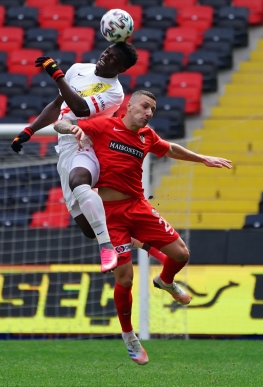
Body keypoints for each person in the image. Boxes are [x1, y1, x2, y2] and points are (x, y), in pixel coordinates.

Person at [54, 90, 232, 365]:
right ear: (129, 105)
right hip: (110, 215)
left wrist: (202, 159)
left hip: (138, 207)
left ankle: (165, 281)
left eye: (152, 110)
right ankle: (129, 336)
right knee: (125, 279)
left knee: (181, 255)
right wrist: (73, 127)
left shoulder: (147, 135)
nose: (149, 113)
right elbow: (59, 124)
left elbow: (169, 148)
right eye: (145, 106)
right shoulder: (104, 125)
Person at [10, 43, 166, 273]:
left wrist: (57, 76)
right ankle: (148, 246)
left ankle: (107, 248)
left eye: (113, 58)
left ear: (121, 68)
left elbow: (81, 109)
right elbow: (57, 105)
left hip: (89, 143)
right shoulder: (78, 70)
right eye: (107, 51)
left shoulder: (115, 92)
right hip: (65, 147)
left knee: (79, 180)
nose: (105, 57)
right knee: (89, 229)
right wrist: (30, 130)